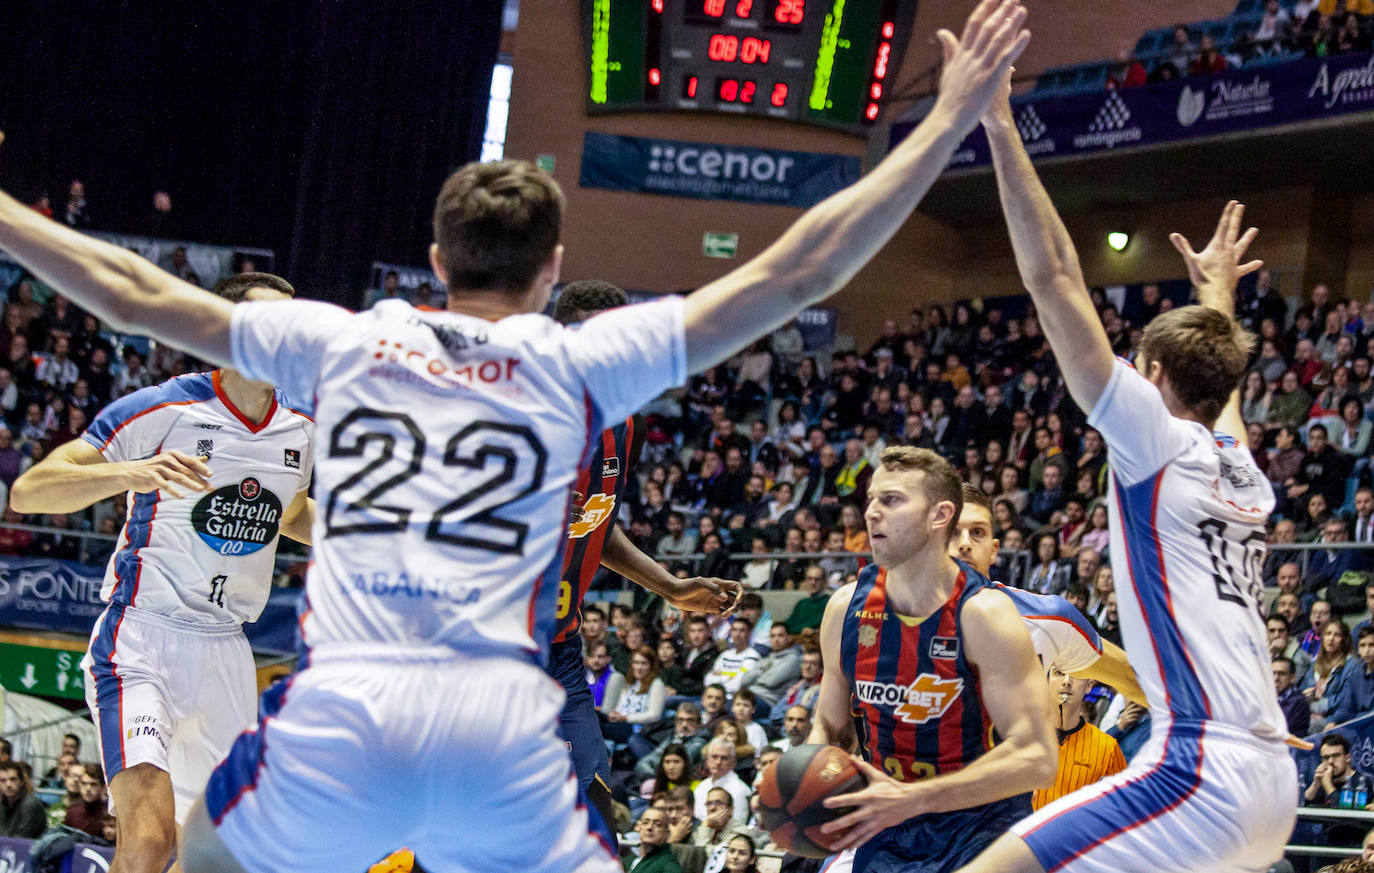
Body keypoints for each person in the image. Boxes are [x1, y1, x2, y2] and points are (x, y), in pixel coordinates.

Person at [0, 8, 1032, 868]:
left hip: (346, 724)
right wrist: (947, 117)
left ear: (436, 256)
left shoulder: (341, 342)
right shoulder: (578, 363)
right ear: (553, 271)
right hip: (500, 733)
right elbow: (799, 271)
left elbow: (131, 291)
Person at [961, 87, 1296, 872]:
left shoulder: (1153, 439)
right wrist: (1216, 297)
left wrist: (999, 123)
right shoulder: (1241, 467)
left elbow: (1053, 277)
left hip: (1199, 767)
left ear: (1148, 375)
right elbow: (1224, 388)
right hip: (1272, 773)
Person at [8, 272, 315, 873]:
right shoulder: (162, 407)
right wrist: (131, 473)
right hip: (142, 636)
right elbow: (29, 490)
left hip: (228, 649)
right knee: (148, 842)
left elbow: (291, 511)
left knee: (214, 854)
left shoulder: (300, 428)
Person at [808, 447, 1056, 873]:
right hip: (885, 828)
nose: (871, 513)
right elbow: (829, 727)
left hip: (982, 828)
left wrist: (911, 799)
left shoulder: (986, 615)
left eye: (891, 500)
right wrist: (801, 786)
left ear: (940, 515)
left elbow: (1037, 757)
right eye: (871, 499)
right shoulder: (845, 608)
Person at [550, 280, 741, 832]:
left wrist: (672, 588)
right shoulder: (517, 417)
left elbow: (597, 526)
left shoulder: (620, 425)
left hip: (559, 649)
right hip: (487, 648)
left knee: (594, 813)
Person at [952, 485, 1147, 706]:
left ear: (994, 549)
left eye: (977, 532)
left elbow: (1136, 681)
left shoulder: (1050, 618)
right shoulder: (904, 621)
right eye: (952, 532)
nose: (965, 544)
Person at [1030, 670, 1126, 811]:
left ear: (1089, 685)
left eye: (1077, 674)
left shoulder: (1108, 747)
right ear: (1047, 681)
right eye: (1059, 673)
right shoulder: (1021, 736)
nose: (1067, 681)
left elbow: (1123, 805)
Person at [693, 739, 752, 824]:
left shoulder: (740, 790)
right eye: (714, 757)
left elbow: (738, 824)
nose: (718, 762)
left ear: (734, 762)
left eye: (724, 758)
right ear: (707, 759)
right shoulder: (701, 787)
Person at [626, 807, 684, 873]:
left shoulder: (667, 863)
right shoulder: (629, 860)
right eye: (645, 822)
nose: (650, 827)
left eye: (657, 825)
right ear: (638, 827)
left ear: (667, 833)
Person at [1304, 733, 1355, 807]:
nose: (1330, 761)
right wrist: (1315, 785)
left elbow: (1345, 813)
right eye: (1326, 757)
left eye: (1336, 756)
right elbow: (1302, 807)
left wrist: (1328, 784)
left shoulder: (1363, 783)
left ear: (1348, 758)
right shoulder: (1323, 781)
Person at [0, 761, 46, 838]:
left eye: (13, 779)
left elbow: (20, 840)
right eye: (3, 780)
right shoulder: (2, 804)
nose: (8, 785)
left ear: (21, 782)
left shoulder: (31, 805)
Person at [1274, 657, 1311, 737]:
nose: (1276, 678)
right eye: (1273, 673)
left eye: (1281, 674)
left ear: (1292, 678)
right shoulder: (1266, 696)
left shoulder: (1298, 702)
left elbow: (1281, 729)